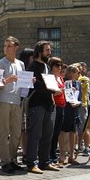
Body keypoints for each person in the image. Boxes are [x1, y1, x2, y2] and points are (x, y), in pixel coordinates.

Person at [25, 40, 59, 174]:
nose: (49, 52)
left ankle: (45, 162)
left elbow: (49, 84)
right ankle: (31, 163)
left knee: (47, 135)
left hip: (48, 104)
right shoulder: (33, 66)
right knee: (35, 134)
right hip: (36, 104)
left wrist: (52, 95)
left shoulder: (46, 66)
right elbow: (36, 86)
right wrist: (52, 91)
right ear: (40, 51)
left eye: (50, 50)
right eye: (47, 50)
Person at [0, 36, 25, 174]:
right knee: (3, 132)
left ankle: (13, 159)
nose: (6, 48)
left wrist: (28, 81)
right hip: (4, 100)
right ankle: (5, 161)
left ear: (16, 47)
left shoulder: (21, 64)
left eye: (9, 45)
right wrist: (7, 80)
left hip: (17, 100)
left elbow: (23, 83)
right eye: (5, 46)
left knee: (16, 132)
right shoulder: (1, 63)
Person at [59, 64, 81, 165]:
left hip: (74, 109)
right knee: (63, 130)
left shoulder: (78, 83)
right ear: (71, 72)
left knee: (73, 131)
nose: (78, 74)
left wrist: (78, 103)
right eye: (77, 72)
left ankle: (71, 155)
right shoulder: (64, 81)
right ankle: (62, 154)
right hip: (66, 108)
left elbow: (79, 97)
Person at [48, 57, 66, 167]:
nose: (59, 68)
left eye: (60, 65)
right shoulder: (50, 78)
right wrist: (58, 92)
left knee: (57, 133)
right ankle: (49, 156)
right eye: (57, 65)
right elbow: (50, 93)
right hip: (54, 106)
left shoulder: (60, 78)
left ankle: (53, 156)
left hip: (62, 106)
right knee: (51, 132)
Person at [18, 47, 34, 163]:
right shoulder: (22, 70)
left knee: (29, 128)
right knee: (24, 128)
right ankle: (24, 152)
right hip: (22, 100)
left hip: (32, 100)